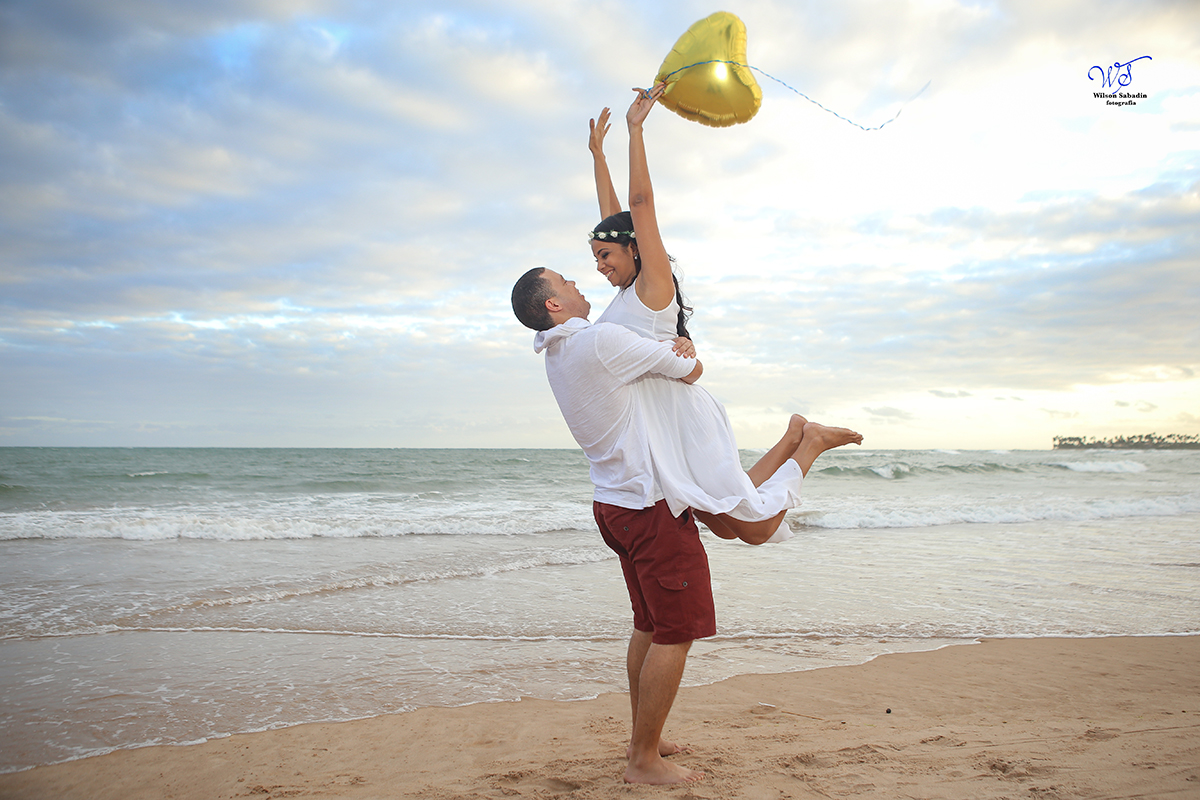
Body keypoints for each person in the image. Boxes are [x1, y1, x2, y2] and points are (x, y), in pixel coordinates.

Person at [511, 266, 861, 784]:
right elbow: (690, 371)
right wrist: (682, 349)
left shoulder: (560, 351)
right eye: (566, 283)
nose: (581, 283)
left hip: (618, 505)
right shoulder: (599, 342)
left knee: (650, 624)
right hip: (649, 507)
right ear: (554, 306)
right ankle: (642, 760)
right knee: (676, 631)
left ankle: (644, 739)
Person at [586, 85, 862, 545]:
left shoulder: (653, 288)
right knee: (724, 522)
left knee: (751, 529)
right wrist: (598, 156)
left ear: (635, 248)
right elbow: (614, 215)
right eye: (595, 257)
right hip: (664, 423)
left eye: (606, 254)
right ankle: (795, 432)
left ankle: (809, 443)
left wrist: (635, 131)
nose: (600, 265)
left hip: (685, 419)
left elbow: (638, 207)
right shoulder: (622, 299)